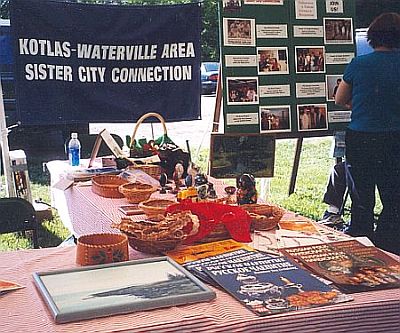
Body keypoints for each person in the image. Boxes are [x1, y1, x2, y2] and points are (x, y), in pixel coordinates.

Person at [334, 12, 400, 255]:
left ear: (373, 36)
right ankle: (390, 246)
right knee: (394, 197)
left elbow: (341, 98)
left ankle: (362, 245)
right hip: (395, 139)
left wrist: (363, 104)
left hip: (362, 138)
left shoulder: (359, 64)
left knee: (361, 198)